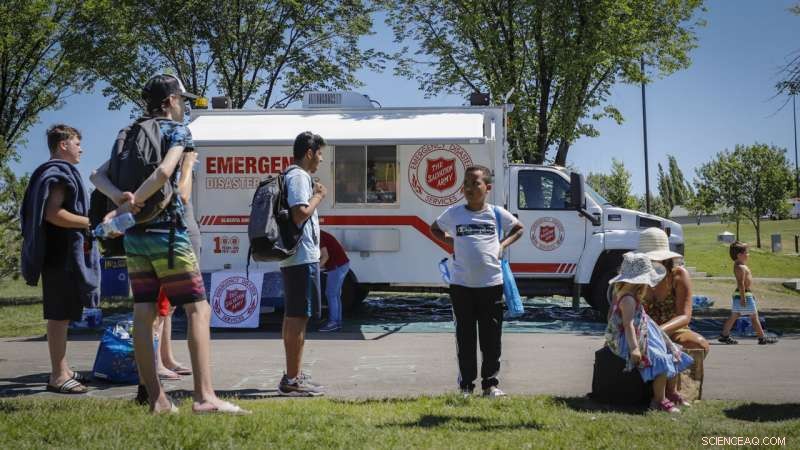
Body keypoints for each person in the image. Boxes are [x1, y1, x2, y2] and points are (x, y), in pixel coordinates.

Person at [96, 74, 247, 414]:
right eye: (182, 99)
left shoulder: (129, 134)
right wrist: (139, 197)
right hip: (169, 234)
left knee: (143, 312)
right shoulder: (177, 132)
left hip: (135, 235)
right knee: (198, 309)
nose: (185, 105)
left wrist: (123, 203)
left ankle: (157, 400)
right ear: (169, 102)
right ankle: (205, 397)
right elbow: (166, 173)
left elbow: (96, 175)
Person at [430, 166, 524, 397]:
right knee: (465, 337)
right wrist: (451, 243)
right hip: (461, 285)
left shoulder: (496, 213)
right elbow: (435, 228)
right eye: (466, 184)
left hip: (491, 284)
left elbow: (519, 228)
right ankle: (466, 386)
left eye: (476, 183)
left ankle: (490, 384)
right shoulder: (454, 213)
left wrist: (502, 245)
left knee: (491, 338)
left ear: (488, 188)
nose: (470, 188)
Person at [20, 124, 100, 394]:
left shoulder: (56, 172)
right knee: (58, 316)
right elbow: (53, 214)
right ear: (63, 145)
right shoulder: (57, 173)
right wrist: (91, 222)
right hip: (60, 255)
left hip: (61, 254)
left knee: (64, 315)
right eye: (77, 143)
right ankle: (57, 375)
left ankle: (63, 369)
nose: (81, 148)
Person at [605, 252, 694, 413]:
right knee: (660, 360)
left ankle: (671, 392)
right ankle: (659, 400)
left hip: (643, 333)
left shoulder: (629, 295)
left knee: (673, 352)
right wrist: (634, 349)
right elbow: (628, 325)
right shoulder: (628, 299)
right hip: (629, 340)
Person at [277, 131, 327, 396]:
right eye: (319, 154)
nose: (320, 160)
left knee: (295, 316)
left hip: (297, 257)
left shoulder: (293, 175)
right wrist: (319, 195)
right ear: (309, 153)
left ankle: (293, 373)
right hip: (300, 257)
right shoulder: (298, 176)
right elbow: (299, 214)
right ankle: (292, 380)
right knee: (298, 317)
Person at [637, 228, 710, 353]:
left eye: (654, 257)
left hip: (673, 331)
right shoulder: (633, 275)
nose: (651, 260)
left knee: (699, 344)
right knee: (611, 349)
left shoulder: (678, 275)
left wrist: (657, 332)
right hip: (640, 331)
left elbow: (684, 316)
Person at [718, 241, 778, 345]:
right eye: (747, 252)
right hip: (744, 294)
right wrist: (743, 297)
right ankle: (762, 337)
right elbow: (741, 283)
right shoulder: (740, 267)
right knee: (754, 317)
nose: (748, 254)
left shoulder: (740, 265)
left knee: (735, 315)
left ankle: (724, 335)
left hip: (744, 294)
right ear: (739, 255)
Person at [319, 230, 350, 332]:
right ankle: (337, 322)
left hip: (337, 266)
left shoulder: (318, 235)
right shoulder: (321, 233)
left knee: (331, 294)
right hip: (342, 264)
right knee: (335, 295)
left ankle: (333, 322)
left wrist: (316, 269)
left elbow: (325, 256)